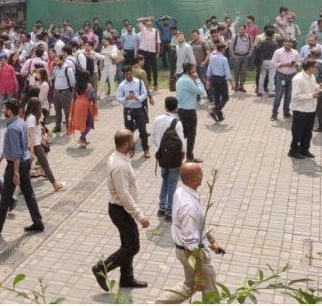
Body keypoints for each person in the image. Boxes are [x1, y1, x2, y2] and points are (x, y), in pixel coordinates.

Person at [156, 163, 226, 304]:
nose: (203, 175)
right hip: (191, 254)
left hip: (183, 250)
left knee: (188, 287)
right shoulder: (190, 207)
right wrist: (199, 275)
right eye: (200, 173)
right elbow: (190, 244)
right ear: (193, 180)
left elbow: (197, 225)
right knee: (210, 289)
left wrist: (212, 241)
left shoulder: (180, 192)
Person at [91, 129, 149, 292]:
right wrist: (140, 216)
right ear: (126, 144)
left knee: (127, 245)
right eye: (132, 141)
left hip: (122, 210)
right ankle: (101, 268)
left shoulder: (119, 157)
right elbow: (124, 195)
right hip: (120, 211)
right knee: (133, 247)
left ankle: (127, 278)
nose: (134, 143)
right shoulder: (119, 166)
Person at [0, 99, 44, 234]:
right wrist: (2, 156)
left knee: (5, 196)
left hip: (16, 164)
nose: (3, 111)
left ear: (9, 111)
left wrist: (16, 172)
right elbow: (17, 146)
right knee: (29, 194)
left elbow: (15, 152)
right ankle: (38, 222)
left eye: (5, 109)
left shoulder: (12, 128)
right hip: (25, 161)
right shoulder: (21, 122)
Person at [150, 96, 186, 222]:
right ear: (176, 108)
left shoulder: (157, 119)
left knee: (164, 180)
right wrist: (183, 156)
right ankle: (169, 212)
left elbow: (153, 138)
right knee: (172, 183)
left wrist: (160, 147)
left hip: (161, 157)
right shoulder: (177, 123)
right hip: (174, 158)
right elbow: (182, 143)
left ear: (165, 106)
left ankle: (161, 208)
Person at [25, 98, 65, 191]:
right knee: (44, 165)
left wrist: (41, 140)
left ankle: (22, 187)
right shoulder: (31, 118)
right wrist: (31, 151)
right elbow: (31, 135)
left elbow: (35, 133)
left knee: (26, 168)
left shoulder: (32, 117)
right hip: (34, 146)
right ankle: (55, 184)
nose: (40, 107)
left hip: (35, 145)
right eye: (39, 106)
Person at [288, 60, 321, 159]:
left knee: (308, 131)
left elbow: (313, 87)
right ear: (309, 67)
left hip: (311, 108)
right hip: (300, 109)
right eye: (314, 67)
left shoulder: (312, 76)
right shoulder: (298, 79)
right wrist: (311, 95)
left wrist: (319, 87)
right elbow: (295, 96)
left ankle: (304, 149)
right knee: (298, 131)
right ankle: (293, 150)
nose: (316, 68)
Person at [116, 66, 151, 158]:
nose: (128, 76)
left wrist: (138, 98)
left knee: (143, 130)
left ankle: (146, 149)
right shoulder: (122, 85)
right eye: (126, 74)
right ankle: (131, 149)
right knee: (129, 131)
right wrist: (125, 98)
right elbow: (118, 97)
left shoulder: (139, 82)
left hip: (138, 109)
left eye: (130, 74)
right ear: (123, 75)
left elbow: (144, 93)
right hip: (128, 110)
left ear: (132, 73)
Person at [175, 63, 207, 163]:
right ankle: (189, 156)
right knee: (191, 134)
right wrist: (197, 79)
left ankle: (178, 153)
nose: (196, 71)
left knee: (183, 133)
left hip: (181, 110)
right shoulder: (188, 81)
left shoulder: (180, 80)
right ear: (189, 71)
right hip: (189, 111)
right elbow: (201, 92)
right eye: (194, 70)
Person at [270, 39, 300, 121]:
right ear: (284, 44)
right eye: (286, 45)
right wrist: (283, 64)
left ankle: (286, 112)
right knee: (279, 95)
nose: (288, 47)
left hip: (292, 76)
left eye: (290, 45)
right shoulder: (278, 52)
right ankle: (274, 114)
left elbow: (299, 62)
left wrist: (295, 64)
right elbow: (273, 63)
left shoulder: (295, 52)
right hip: (281, 76)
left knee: (289, 95)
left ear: (292, 45)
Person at [67, 68, 98, 147]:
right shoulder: (89, 86)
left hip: (77, 104)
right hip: (85, 105)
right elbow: (91, 97)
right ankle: (81, 137)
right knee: (90, 123)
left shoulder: (76, 85)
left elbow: (73, 96)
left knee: (83, 122)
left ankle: (83, 140)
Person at [206, 43, 232, 123]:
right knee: (225, 97)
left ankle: (219, 116)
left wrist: (208, 80)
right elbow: (227, 71)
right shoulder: (224, 59)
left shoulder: (212, 57)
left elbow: (209, 69)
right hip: (221, 79)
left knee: (217, 97)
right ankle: (215, 110)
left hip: (213, 78)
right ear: (223, 49)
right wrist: (231, 82)